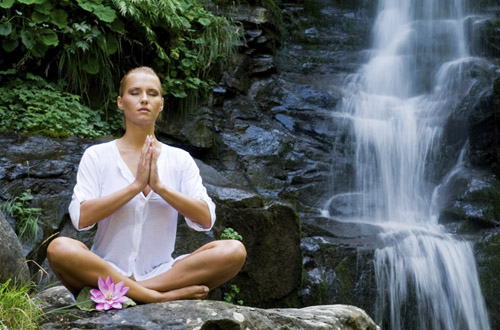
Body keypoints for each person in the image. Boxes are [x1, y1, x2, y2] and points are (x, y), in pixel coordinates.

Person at [47, 66, 246, 303]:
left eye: (152, 93)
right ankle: (157, 298)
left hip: (160, 274)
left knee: (234, 251)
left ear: (161, 104)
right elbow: (81, 219)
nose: (144, 99)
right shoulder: (97, 155)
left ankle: (133, 291)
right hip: (104, 270)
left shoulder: (180, 159)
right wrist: (135, 186)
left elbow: (205, 219)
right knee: (59, 248)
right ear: (120, 102)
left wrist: (160, 187)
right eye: (135, 92)